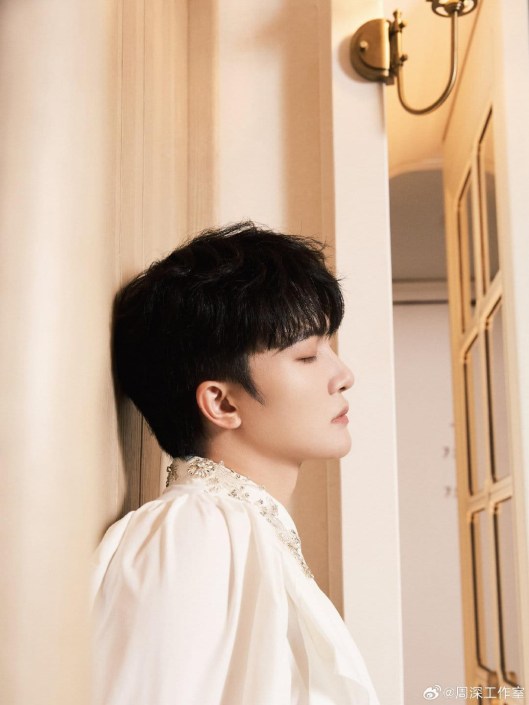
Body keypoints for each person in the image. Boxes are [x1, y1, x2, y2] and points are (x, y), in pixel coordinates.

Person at [91, 221, 380, 705]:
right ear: (222, 403)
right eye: (307, 356)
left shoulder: (244, 530)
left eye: (329, 346)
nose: (343, 375)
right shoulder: (192, 530)